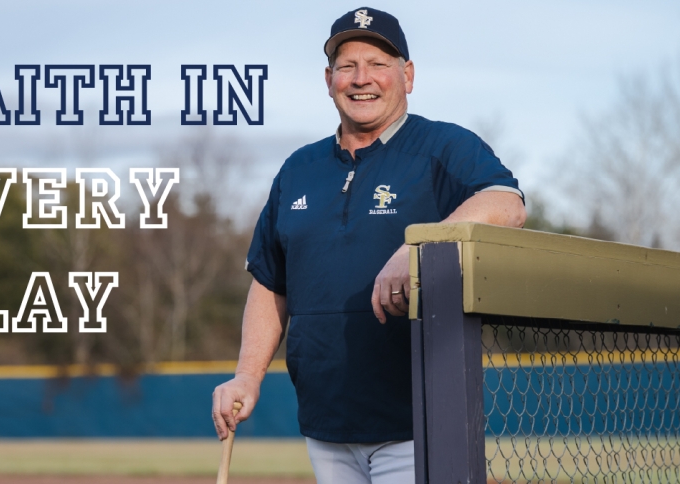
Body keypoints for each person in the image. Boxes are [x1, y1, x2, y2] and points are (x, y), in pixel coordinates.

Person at [212, 6, 526, 483]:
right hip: (326, 424)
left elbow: (507, 205)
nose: (362, 79)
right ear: (328, 78)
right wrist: (247, 376)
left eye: (379, 64)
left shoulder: (443, 147)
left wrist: (419, 245)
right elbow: (270, 282)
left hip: (419, 425)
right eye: (347, 66)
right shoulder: (299, 169)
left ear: (408, 75)